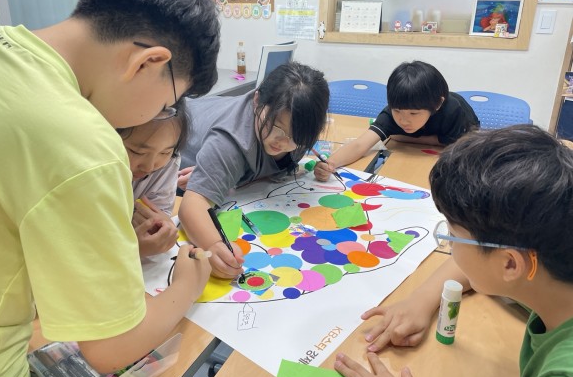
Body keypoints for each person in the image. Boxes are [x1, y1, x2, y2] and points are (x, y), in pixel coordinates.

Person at [0, 0, 220, 377]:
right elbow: (109, 347)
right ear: (147, 62)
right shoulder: (85, 145)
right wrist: (188, 283)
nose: (159, 114)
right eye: (167, 103)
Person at [331, 125, 573, 377]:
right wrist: (421, 300)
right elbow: (483, 263)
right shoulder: (548, 268)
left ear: (510, 264)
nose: (450, 245)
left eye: (453, 236)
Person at [178, 62, 330, 279]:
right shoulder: (230, 141)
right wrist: (214, 245)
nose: (282, 142)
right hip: (171, 153)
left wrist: (238, 177)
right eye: (275, 127)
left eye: (295, 137)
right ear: (256, 100)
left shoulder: (297, 133)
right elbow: (192, 205)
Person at [314, 61, 479, 182]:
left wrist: (401, 137)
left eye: (414, 113)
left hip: (464, 135)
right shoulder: (392, 114)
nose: (404, 120)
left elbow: (459, 146)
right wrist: (330, 163)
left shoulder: (454, 112)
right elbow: (360, 145)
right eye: (397, 110)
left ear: (437, 104)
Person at [119, 103, 188, 257]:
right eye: (137, 152)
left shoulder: (169, 162)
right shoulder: (93, 173)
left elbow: (161, 211)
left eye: (165, 152)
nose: (149, 167)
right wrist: (130, 249)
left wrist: (162, 225)